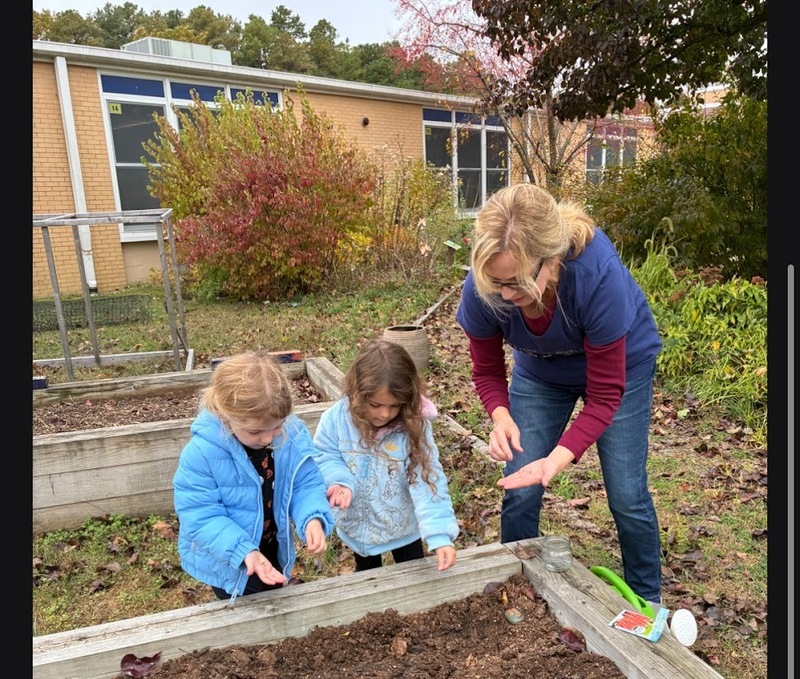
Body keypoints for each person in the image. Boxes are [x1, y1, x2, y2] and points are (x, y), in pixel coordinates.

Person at [455, 183, 663, 605]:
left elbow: (605, 397)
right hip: (542, 371)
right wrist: (500, 414)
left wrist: (556, 458)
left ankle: (647, 597)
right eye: (498, 284)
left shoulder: (594, 275)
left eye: (517, 282)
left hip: (622, 367)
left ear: (550, 259)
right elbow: (488, 369)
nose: (507, 295)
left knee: (625, 492)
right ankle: (516, 584)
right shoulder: (485, 285)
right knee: (520, 486)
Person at [173, 350, 334, 603]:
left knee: (273, 596)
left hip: (271, 543)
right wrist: (243, 551)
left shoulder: (291, 435)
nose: (268, 438)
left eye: (277, 426)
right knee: (247, 602)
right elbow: (201, 514)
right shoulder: (202, 453)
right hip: (230, 555)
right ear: (226, 416)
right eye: (256, 430)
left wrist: (311, 517)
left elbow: (305, 483)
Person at [312, 339, 459, 573]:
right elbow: (324, 455)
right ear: (357, 392)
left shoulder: (414, 427)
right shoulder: (336, 420)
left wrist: (440, 534)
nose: (385, 413)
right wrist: (340, 481)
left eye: (395, 405)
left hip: (404, 527)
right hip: (358, 528)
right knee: (368, 579)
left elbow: (427, 479)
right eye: (375, 404)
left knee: (413, 575)